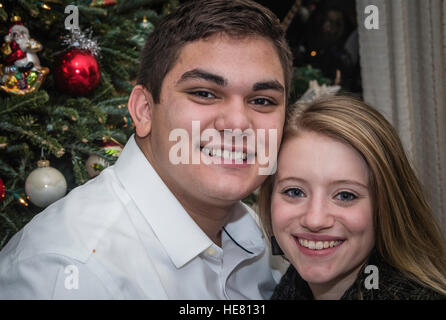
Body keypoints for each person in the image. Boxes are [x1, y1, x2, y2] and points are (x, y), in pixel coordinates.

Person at [0, 0, 293, 299]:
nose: (237, 122)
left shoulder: (265, 235)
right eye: (204, 93)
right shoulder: (72, 273)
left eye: (262, 100)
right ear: (144, 111)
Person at [258, 96, 446, 300]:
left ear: (387, 207)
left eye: (345, 195)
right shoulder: (290, 286)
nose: (315, 220)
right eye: (294, 192)